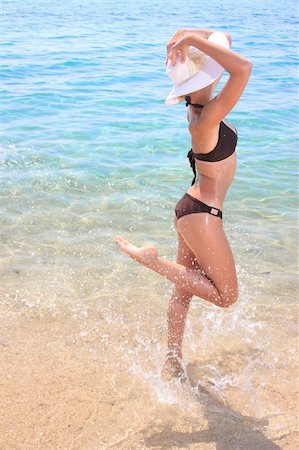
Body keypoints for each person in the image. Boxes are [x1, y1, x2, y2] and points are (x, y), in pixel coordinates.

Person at [115, 28, 252, 379]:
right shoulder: (206, 118)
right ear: (203, 79)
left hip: (191, 211)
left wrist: (190, 35)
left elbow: (226, 39)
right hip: (203, 214)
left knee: (186, 288)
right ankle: (151, 259)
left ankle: (172, 359)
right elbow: (243, 68)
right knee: (226, 296)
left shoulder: (199, 109)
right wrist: (191, 43)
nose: (217, 70)